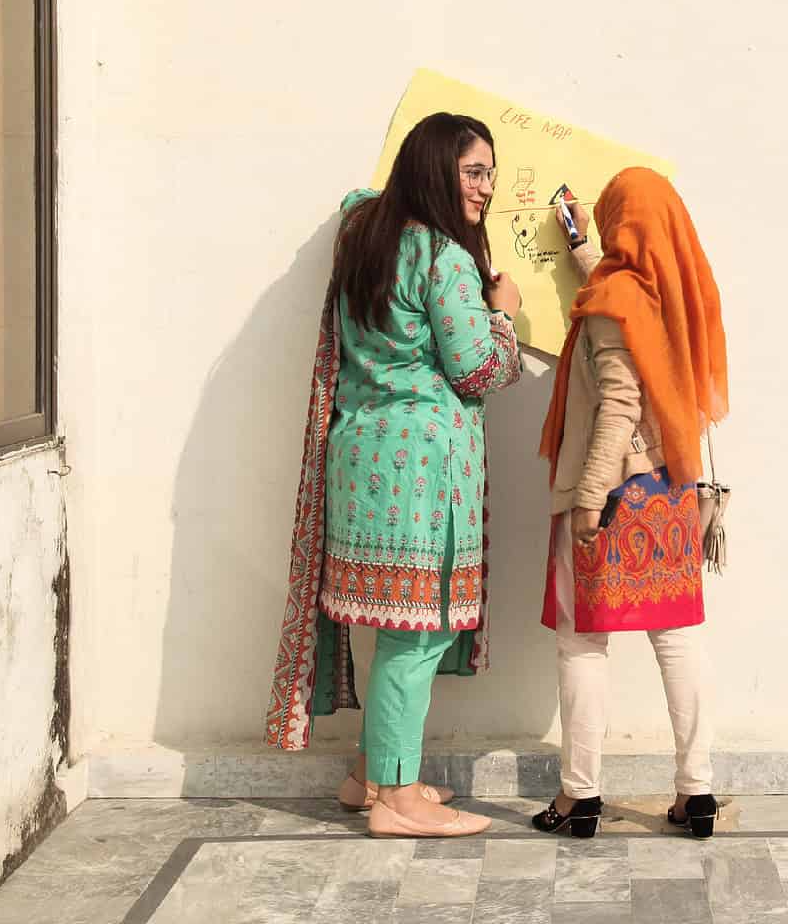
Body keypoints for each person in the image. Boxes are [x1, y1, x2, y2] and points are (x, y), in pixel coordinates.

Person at [265, 113, 522, 839]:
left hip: (363, 464)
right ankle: (398, 802)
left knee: (396, 628)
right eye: (473, 172)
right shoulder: (442, 257)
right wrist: (503, 316)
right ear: (435, 170)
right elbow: (478, 369)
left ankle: (370, 776)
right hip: (422, 479)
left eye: (490, 173)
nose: (487, 188)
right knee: (418, 634)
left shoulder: (366, 239)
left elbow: (359, 199)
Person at [534, 167, 728, 839]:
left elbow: (618, 403)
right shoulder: (672, 295)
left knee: (582, 642)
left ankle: (579, 796)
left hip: (613, 498)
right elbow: (625, 319)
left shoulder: (614, 302)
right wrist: (581, 247)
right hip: (669, 494)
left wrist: (588, 500)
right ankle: (697, 793)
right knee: (677, 639)